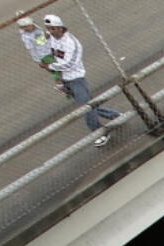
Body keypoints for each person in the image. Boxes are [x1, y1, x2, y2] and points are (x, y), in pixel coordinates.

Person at [41, 14, 120, 147]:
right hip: (64, 78)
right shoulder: (52, 38)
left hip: (76, 79)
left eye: (53, 29)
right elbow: (43, 46)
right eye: (49, 29)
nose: (51, 31)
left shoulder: (71, 43)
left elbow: (70, 63)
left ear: (60, 28)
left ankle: (100, 132)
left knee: (87, 108)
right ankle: (115, 116)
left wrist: (50, 66)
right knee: (88, 105)